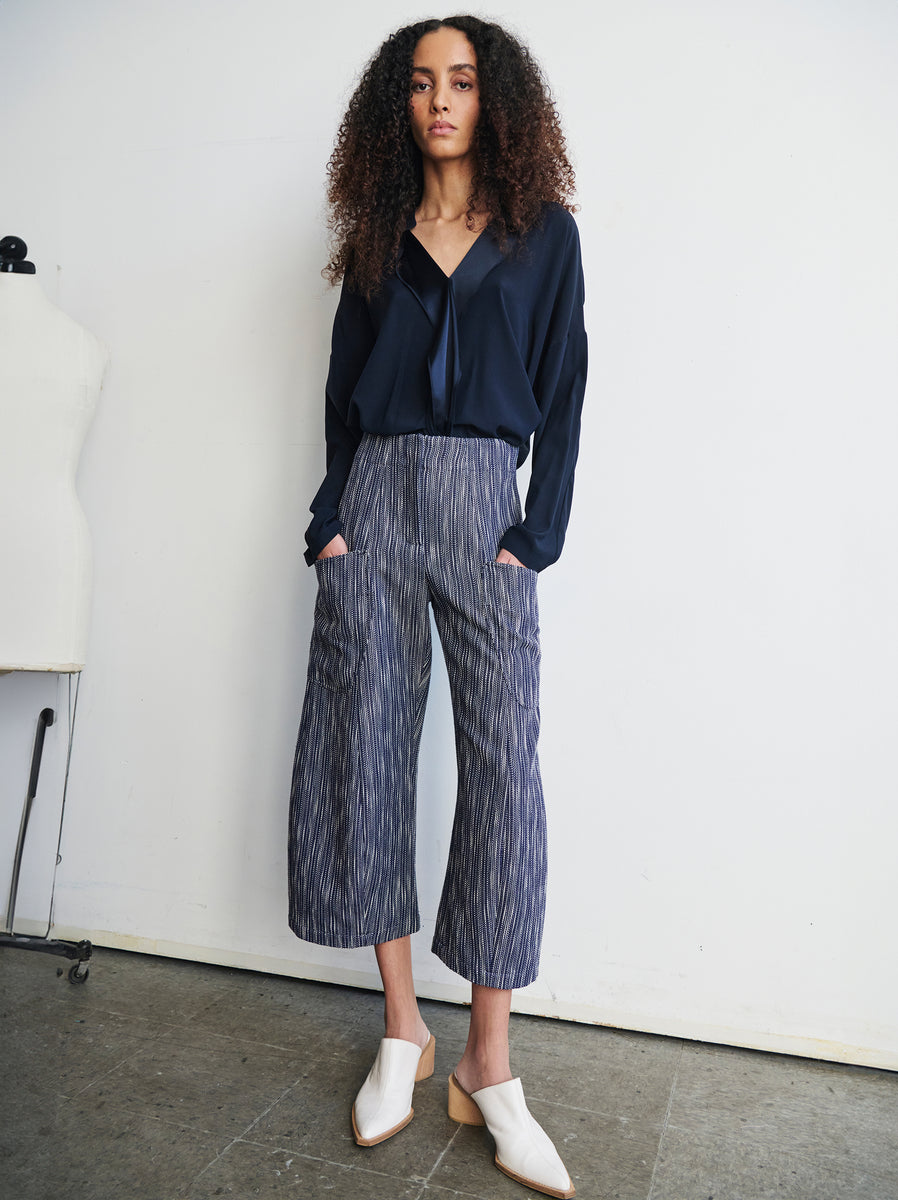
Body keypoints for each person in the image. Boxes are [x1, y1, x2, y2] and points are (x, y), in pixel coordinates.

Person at [288, 15, 587, 1198]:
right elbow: (339, 394)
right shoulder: (375, 234)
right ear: (396, 106)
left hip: (484, 512)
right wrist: (330, 516)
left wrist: (536, 536)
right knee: (364, 754)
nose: (442, 100)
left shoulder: (544, 237)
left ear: (495, 98)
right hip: (375, 501)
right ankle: (403, 1028)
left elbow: (566, 389)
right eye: (421, 84)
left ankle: (490, 1062)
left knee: (502, 767)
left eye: (462, 81)